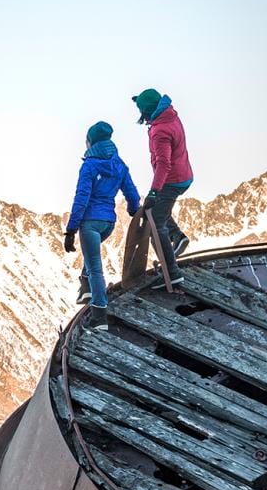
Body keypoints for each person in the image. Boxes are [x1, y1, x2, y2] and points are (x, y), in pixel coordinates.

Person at [64, 120, 142, 328]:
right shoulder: (120, 165)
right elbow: (132, 193)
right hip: (109, 223)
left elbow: (81, 198)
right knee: (91, 261)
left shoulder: (88, 166)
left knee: (95, 268)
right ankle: (86, 286)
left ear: (91, 142)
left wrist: (71, 230)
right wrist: (134, 209)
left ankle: (99, 317)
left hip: (90, 223)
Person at [133, 88, 194, 279]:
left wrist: (154, 191)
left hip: (171, 180)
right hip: (184, 174)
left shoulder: (160, 130)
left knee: (155, 225)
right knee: (160, 211)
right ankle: (177, 237)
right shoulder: (171, 117)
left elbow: (163, 164)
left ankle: (171, 273)